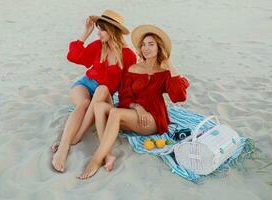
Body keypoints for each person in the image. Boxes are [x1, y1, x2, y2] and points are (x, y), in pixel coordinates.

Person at [77, 25, 190, 179]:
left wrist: (169, 63)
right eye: (143, 44)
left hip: (151, 119)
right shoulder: (133, 69)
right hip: (132, 114)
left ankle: (96, 159)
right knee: (98, 106)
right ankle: (107, 154)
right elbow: (124, 96)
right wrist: (137, 107)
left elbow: (179, 97)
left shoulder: (165, 72)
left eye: (151, 44)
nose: (146, 48)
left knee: (115, 113)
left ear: (159, 47)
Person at [51, 10, 136, 172]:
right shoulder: (98, 46)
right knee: (83, 103)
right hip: (84, 85)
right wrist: (86, 32)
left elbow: (126, 85)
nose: (98, 33)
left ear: (112, 30)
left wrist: (124, 106)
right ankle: (63, 148)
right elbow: (73, 56)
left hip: (102, 93)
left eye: (101, 29)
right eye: (97, 29)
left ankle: (73, 139)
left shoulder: (128, 55)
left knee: (97, 96)